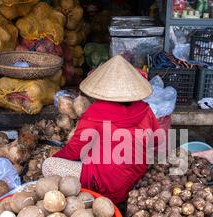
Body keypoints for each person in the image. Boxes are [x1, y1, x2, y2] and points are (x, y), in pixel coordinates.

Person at [42, 55, 161, 204]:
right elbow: (156, 141)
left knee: (48, 165)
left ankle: (88, 199)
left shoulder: (95, 112)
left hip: (108, 185)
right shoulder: (145, 109)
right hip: (133, 178)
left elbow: (75, 150)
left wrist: (56, 157)